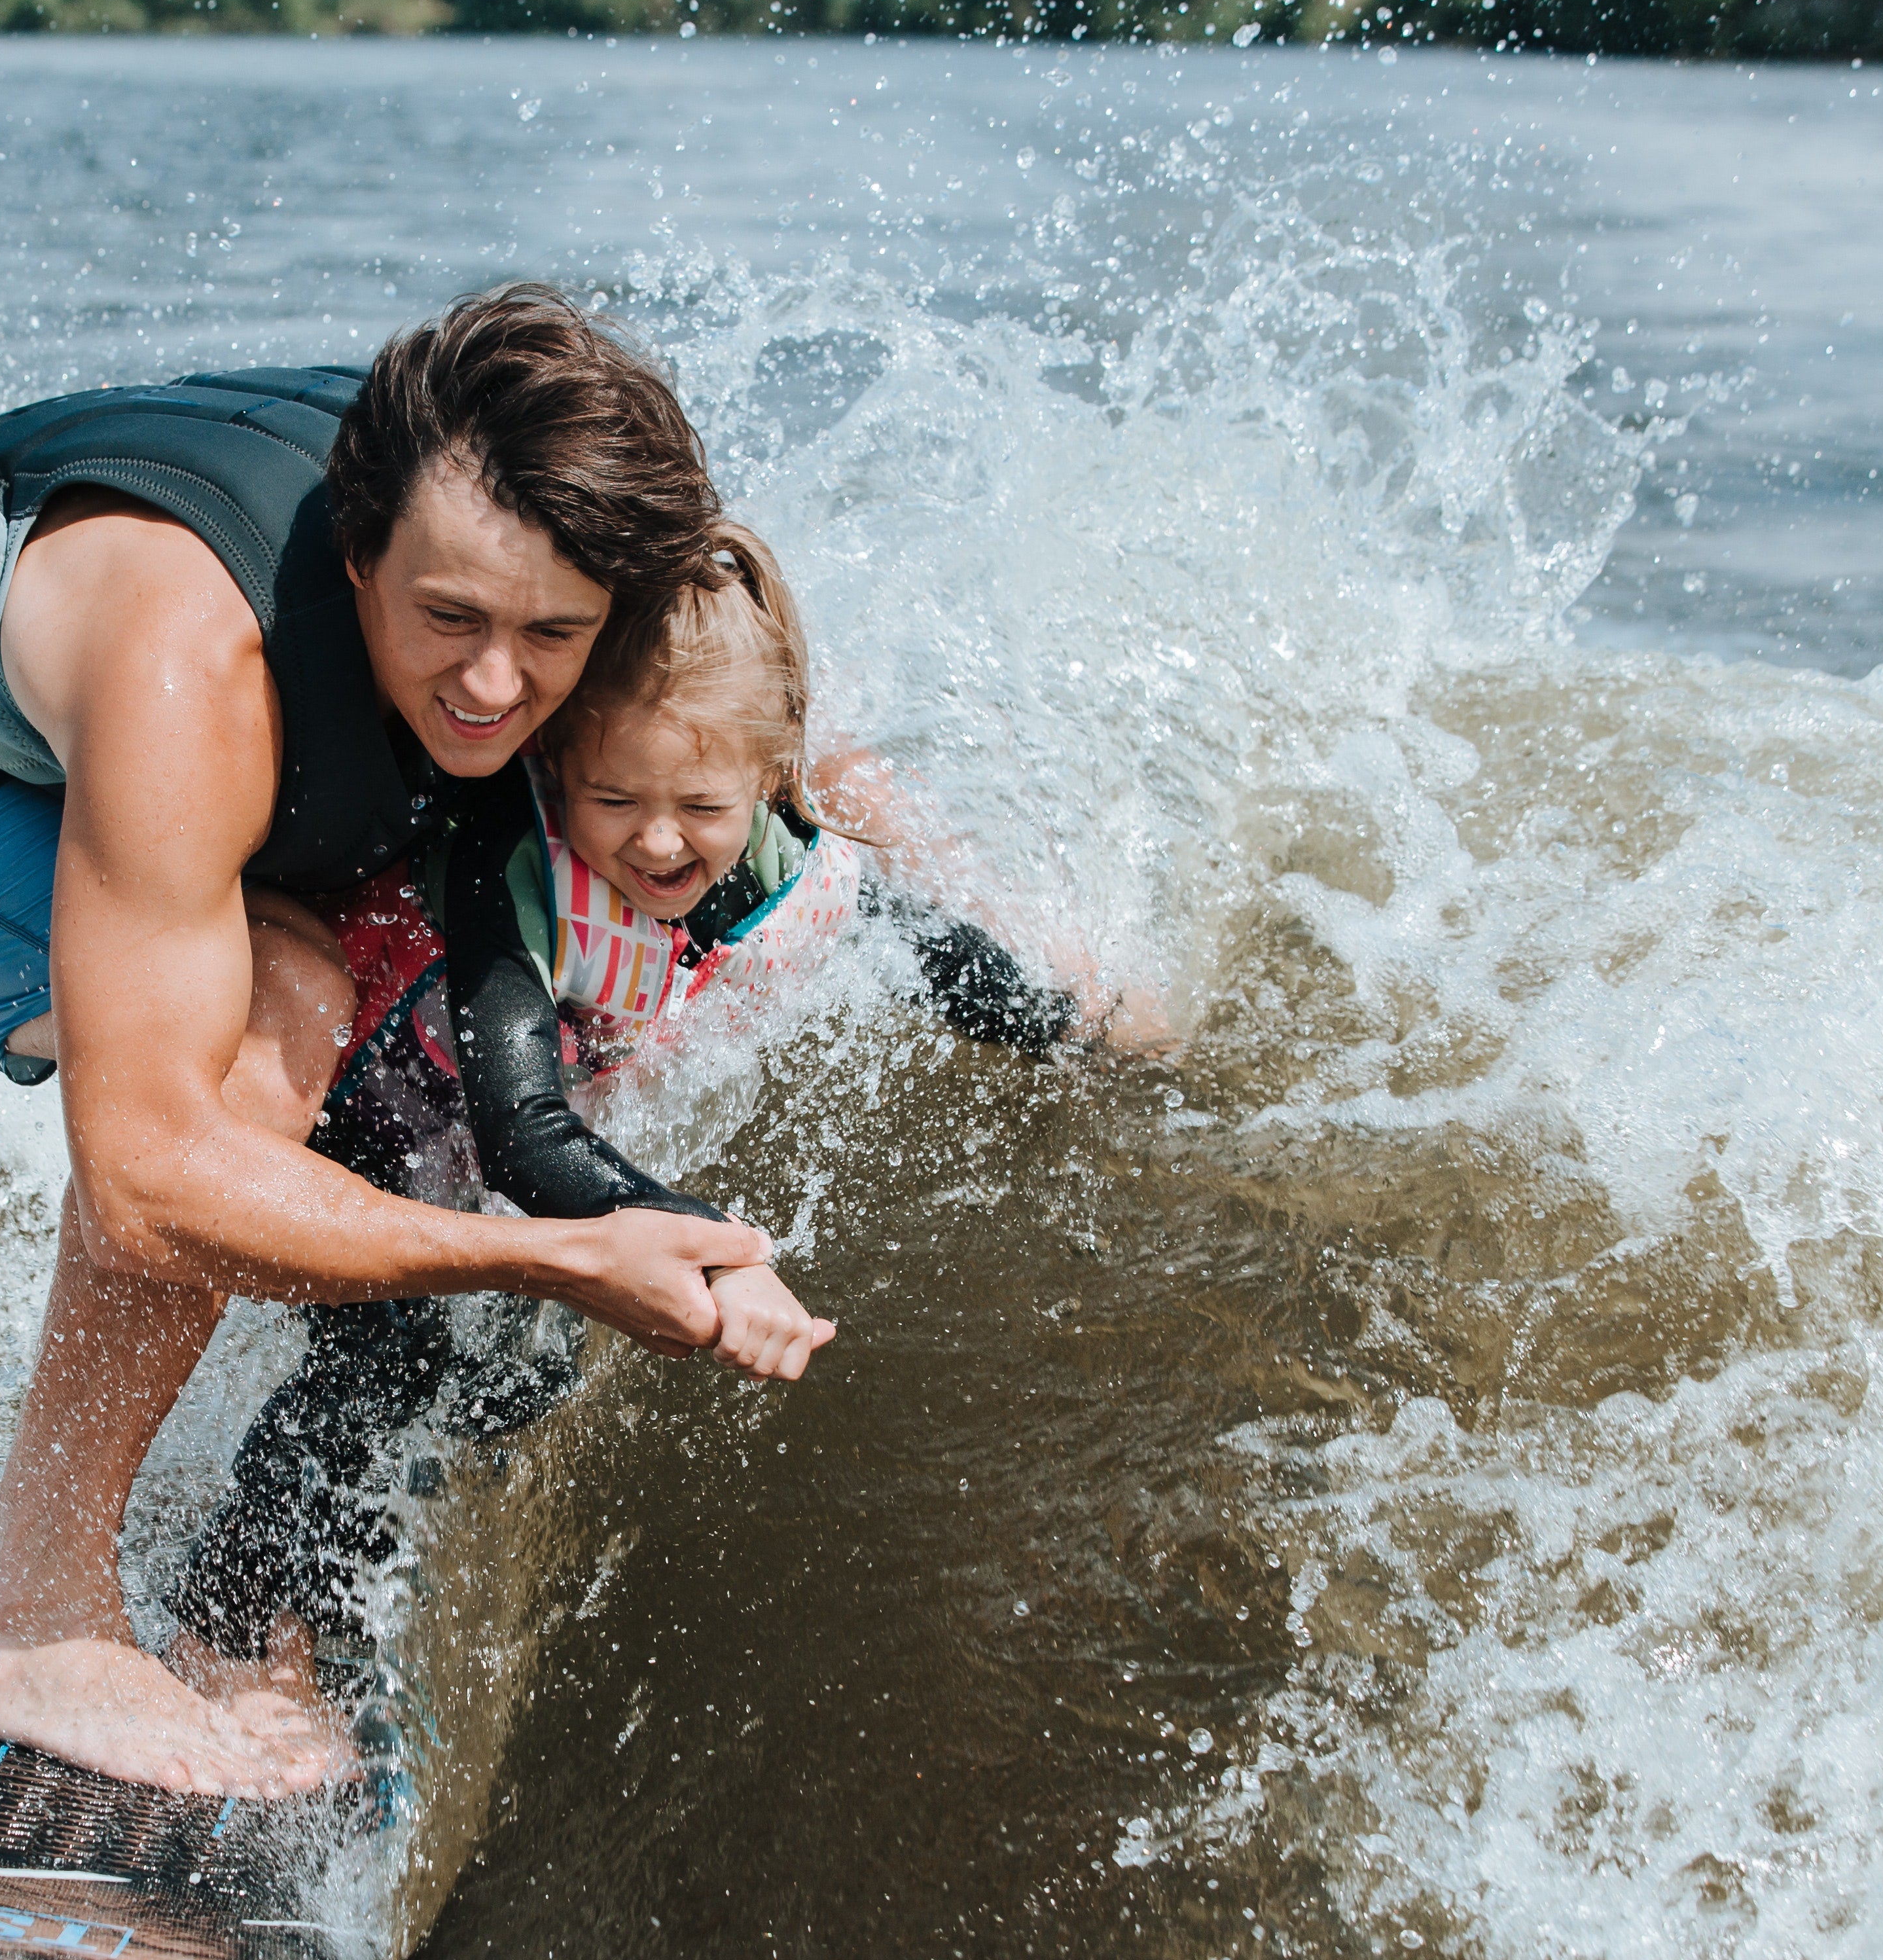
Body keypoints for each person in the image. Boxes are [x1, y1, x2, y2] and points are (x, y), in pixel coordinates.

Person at [0, 288, 804, 1802]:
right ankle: (28, 1618)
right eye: (447, 620)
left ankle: (243, 1582)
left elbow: (755, 725)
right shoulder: (194, 661)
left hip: (106, 774)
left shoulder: (553, 539)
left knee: (428, 1074)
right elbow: (147, 1177)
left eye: (550, 639)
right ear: (359, 552)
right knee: (292, 1009)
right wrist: (557, 1260)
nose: (491, 686)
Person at [167, 522, 1170, 1673]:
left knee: (517, 1372)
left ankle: (337, 1565)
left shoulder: (788, 868)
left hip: (455, 1125)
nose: (654, 839)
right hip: (352, 1111)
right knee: (391, 1346)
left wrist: (1075, 1028)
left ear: (771, 778)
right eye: (612, 798)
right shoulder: (516, 857)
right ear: (553, 765)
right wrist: (720, 1250)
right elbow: (518, 1132)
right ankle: (236, 1631)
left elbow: (930, 950)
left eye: (699, 804)